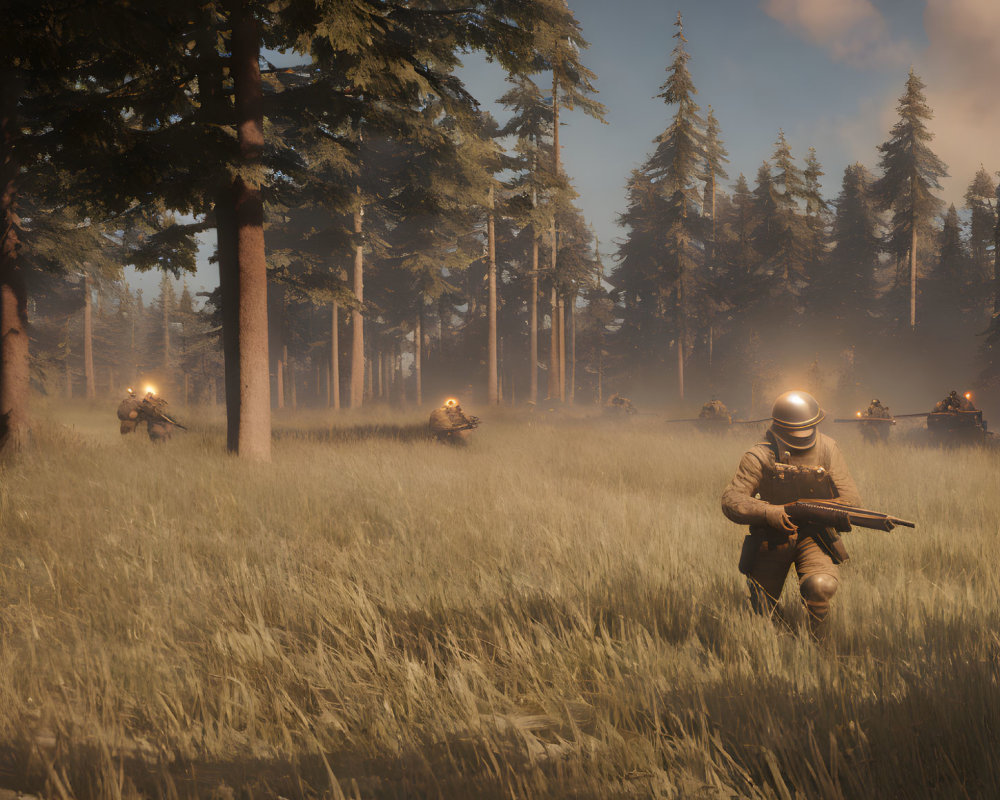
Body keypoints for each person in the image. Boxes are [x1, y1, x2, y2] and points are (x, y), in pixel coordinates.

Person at [721, 390, 861, 640]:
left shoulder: (828, 449)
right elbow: (731, 500)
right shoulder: (759, 455)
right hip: (771, 536)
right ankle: (783, 640)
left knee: (820, 585)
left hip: (815, 537)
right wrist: (769, 511)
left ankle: (819, 643)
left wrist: (813, 508)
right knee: (762, 608)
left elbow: (852, 501)